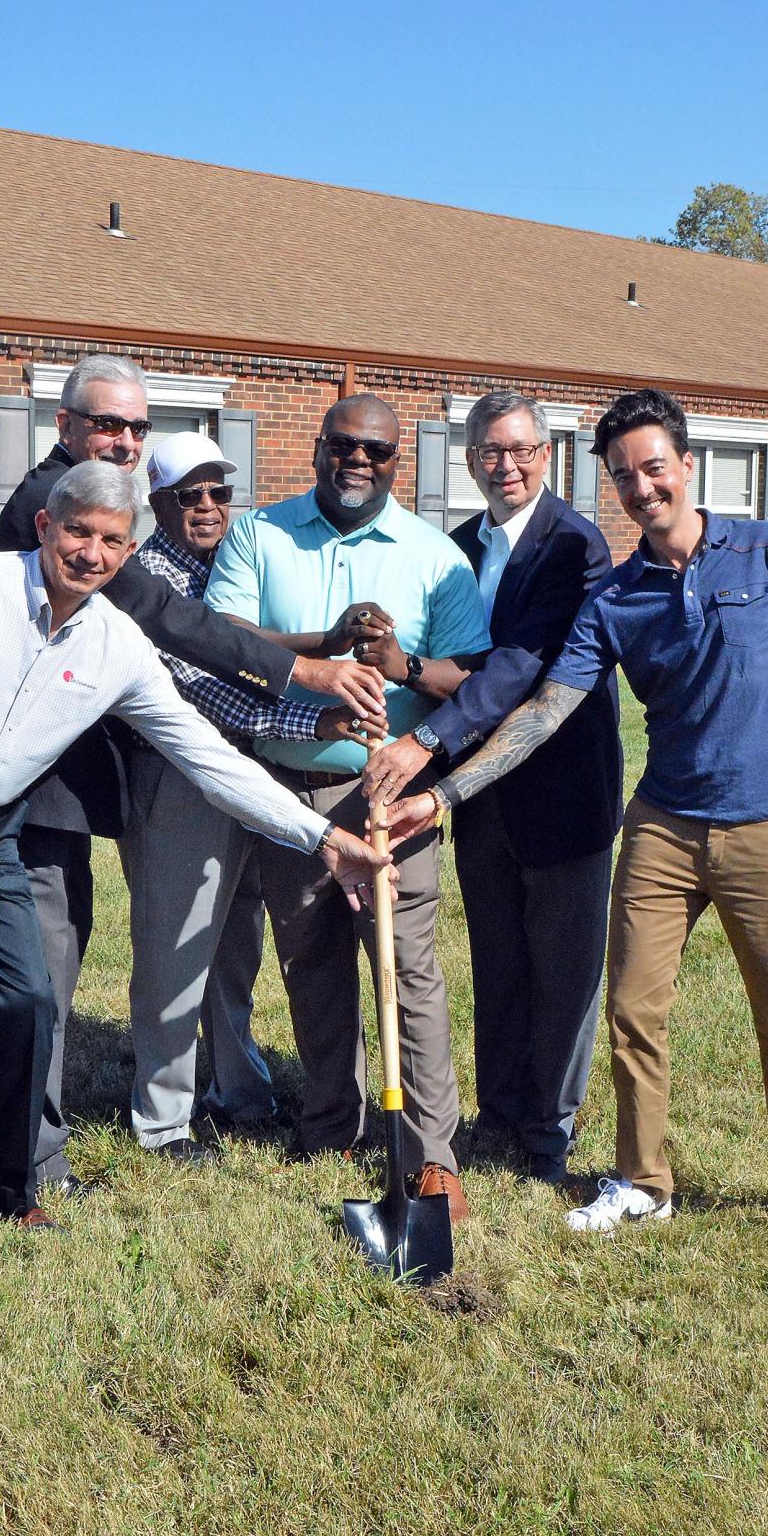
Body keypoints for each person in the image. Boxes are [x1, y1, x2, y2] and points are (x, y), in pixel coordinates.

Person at [0, 463, 390, 1235]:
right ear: (46, 526)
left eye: (111, 540)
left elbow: (206, 758)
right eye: (78, 531)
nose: (91, 552)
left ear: (127, 553)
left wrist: (319, 836)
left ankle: (14, 1191)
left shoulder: (119, 645)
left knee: (27, 999)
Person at [384, 388, 768, 1265]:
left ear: (687, 466)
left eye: (654, 468)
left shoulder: (766, 548)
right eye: (625, 476)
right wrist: (446, 794)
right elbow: (542, 713)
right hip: (663, 824)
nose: (643, 487)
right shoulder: (616, 594)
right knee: (633, 1010)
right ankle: (644, 1182)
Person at [0, 355, 384, 1191]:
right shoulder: (64, 510)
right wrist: (310, 681)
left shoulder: (192, 542)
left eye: (136, 429)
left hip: (96, 780)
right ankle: (38, 1142)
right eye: (107, 424)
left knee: (139, 956)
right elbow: (183, 653)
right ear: (65, 424)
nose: (121, 440)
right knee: (53, 963)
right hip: (40, 784)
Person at [205, 394, 491, 1222]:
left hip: (387, 797)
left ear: (400, 461)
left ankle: (430, 1157)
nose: (358, 461)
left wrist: (404, 666)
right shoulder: (261, 534)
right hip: (291, 793)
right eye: (343, 445)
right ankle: (331, 1119)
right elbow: (221, 641)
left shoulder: (434, 556)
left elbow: (474, 683)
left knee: (405, 966)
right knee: (311, 964)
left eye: (377, 450)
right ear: (318, 447)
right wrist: (324, 644)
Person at [362, 392, 621, 1184]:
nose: (504, 466)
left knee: (564, 967)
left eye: (519, 450)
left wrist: (427, 739)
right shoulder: (459, 547)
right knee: (499, 959)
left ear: (548, 455)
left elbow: (517, 668)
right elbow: (459, 660)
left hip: (561, 789)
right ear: (469, 458)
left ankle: (551, 1128)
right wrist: (399, 667)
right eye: (487, 452)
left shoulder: (575, 547)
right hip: (480, 797)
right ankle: (502, 1110)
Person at [120, 432, 361, 1163]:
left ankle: (239, 1086)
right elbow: (209, 692)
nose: (206, 507)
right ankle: (162, 1121)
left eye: (219, 492)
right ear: (156, 503)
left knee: (237, 942)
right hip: (181, 778)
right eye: (187, 495)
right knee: (176, 945)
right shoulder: (145, 581)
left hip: (255, 773)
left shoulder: (233, 561)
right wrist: (317, 713)